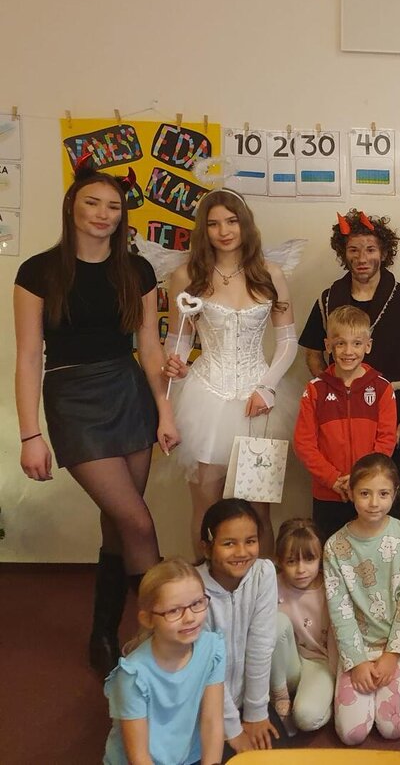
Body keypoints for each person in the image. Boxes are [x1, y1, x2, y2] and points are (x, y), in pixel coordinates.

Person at [14, 170, 178, 674]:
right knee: (137, 521)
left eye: (113, 206)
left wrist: (165, 410)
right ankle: (165, 637)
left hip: (128, 392)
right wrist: (30, 434)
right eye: (93, 202)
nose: (103, 214)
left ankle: (103, 631)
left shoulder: (137, 270)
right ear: (72, 206)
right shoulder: (38, 272)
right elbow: (28, 357)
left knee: (118, 523)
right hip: (71, 398)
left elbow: (149, 347)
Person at [164, 188, 297, 558]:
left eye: (232, 221)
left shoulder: (270, 273)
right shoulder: (187, 275)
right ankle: (206, 586)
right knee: (207, 509)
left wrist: (267, 387)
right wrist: (174, 362)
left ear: (245, 224)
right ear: (203, 230)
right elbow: (178, 339)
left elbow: (287, 341)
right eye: (213, 224)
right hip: (206, 398)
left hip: (259, 403)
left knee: (258, 511)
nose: (224, 231)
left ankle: (261, 587)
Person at [299, 209, 400, 512]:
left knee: (385, 498)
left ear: (383, 252)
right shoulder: (328, 298)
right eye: (354, 250)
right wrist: (328, 387)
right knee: (336, 501)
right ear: (343, 253)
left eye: (370, 249)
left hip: (391, 413)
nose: (362, 258)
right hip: (337, 415)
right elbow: (312, 351)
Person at [323, 454, 400, 745]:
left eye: (383, 494)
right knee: (352, 734)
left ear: (395, 493)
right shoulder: (335, 546)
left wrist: (393, 655)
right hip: (356, 646)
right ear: (351, 492)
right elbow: (339, 609)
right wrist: (356, 662)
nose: (374, 503)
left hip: (394, 645)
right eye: (365, 493)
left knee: (393, 728)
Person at [102, 558, 224, 765]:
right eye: (174, 610)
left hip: (188, 758)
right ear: (148, 619)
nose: (190, 618)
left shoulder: (212, 648)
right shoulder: (133, 675)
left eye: (197, 603)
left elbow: (212, 722)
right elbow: (138, 757)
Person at [293, 305, 397, 540]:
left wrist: (360, 478)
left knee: (368, 552)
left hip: (368, 492)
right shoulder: (315, 390)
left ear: (368, 345)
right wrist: (333, 480)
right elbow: (304, 444)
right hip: (329, 493)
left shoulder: (382, 388)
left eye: (357, 343)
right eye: (340, 343)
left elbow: (386, 440)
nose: (348, 351)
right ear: (328, 345)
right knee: (329, 551)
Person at [197, 498, 279, 754]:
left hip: (245, 700)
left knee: (274, 752)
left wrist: (255, 713)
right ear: (207, 548)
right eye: (229, 543)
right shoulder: (192, 590)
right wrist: (232, 730)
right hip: (202, 703)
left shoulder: (263, 573)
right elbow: (205, 667)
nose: (242, 552)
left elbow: (260, 645)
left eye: (250, 541)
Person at [270, 518, 335, 732]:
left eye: (309, 559)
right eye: (291, 561)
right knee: (276, 622)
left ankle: (323, 701)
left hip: (319, 663)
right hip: (283, 665)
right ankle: (279, 696)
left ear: (320, 557)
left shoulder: (331, 586)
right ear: (279, 560)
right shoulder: (271, 585)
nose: (301, 569)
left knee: (306, 718)